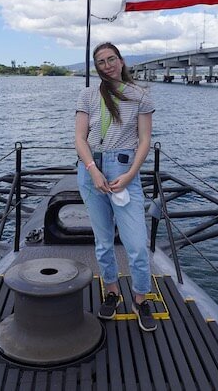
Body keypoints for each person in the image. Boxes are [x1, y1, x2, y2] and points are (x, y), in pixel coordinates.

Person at [74, 42, 156, 332]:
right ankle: (111, 291)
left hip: (125, 170)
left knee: (136, 244)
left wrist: (132, 173)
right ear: (97, 67)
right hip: (91, 171)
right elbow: (80, 139)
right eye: (101, 62)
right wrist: (92, 170)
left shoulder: (139, 96)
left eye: (111, 59)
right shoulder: (87, 95)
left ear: (121, 61)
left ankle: (140, 298)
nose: (107, 65)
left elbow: (144, 139)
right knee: (103, 241)